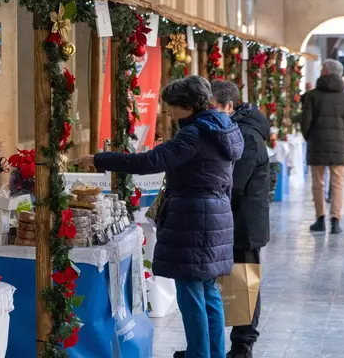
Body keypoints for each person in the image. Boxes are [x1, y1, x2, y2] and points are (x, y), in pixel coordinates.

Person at [74, 76, 243, 358]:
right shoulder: (223, 128)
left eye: (172, 107)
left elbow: (149, 162)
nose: (169, 112)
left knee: (190, 294)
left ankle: (199, 354)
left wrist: (99, 159)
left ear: (187, 107)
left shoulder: (194, 134)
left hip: (193, 218)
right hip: (215, 216)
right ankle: (215, 353)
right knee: (208, 292)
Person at [210, 81, 270, 358]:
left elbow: (235, 184)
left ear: (229, 106)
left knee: (245, 279)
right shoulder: (235, 129)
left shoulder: (246, 135)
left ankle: (243, 344)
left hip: (244, 220)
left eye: (212, 108)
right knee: (233, 280)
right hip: (234, 217)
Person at [302, 59, 344, 235]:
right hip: (339, 147)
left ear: (326, 72)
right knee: (338, 184)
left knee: (318, 184)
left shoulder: (312, 95)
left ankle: (320, 219)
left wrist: (311, 138)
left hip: (317, 145)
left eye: (322, 69)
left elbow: (305, 123)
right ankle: (335, 221)